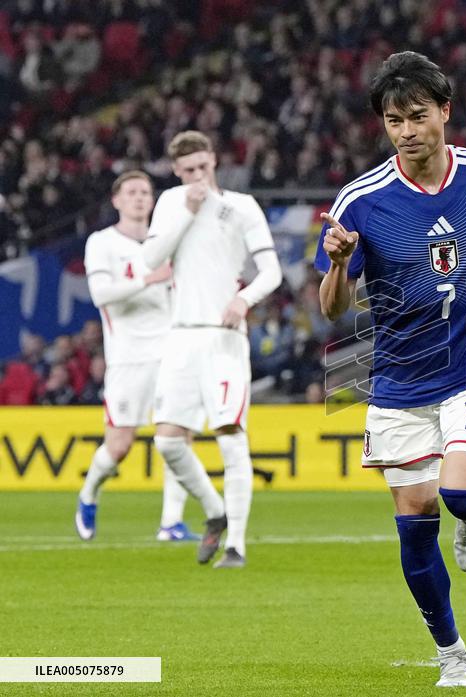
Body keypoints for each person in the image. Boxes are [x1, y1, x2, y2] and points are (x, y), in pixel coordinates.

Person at [314, 52, 466, 688]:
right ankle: (452, 653)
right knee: (414, 527)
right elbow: (331, 312)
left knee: (461, 495)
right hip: (400, 377)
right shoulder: (360, 201)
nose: (406, 131)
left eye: (416, 116)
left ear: (444, 112)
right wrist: (336, 264)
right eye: (392, 120)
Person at [142, 131, 283, 568]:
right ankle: (214, 509)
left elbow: (272, 271)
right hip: (182, 335)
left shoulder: (241, 207)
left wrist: (243, 299)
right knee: (167, 442)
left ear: (214, 161)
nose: (198, 176)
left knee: (229, 435)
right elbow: (151, 260)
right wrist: (187, 210)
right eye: (188, 171)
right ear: (177, 172)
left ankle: (237, 544)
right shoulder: (170, 204)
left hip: (224, 339)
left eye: (203, 167)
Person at [75, 170, 200, 543]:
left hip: (172, 352)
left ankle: (171, 523)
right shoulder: (102, 243)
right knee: (119, 445)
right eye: (131, 192)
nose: (139, 198)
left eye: (145, 191)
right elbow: (100, 295)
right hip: (128, 357)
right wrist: (148, 279)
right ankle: (89, 492)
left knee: (178, 436)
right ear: (116, 200)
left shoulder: (166, 242)